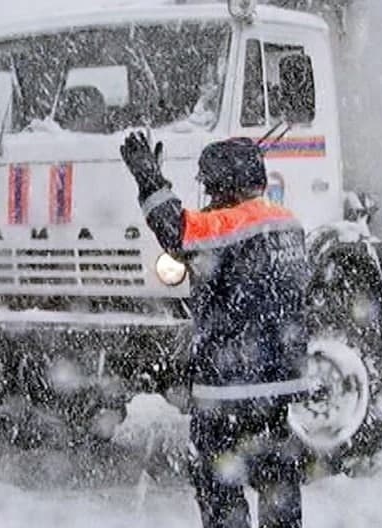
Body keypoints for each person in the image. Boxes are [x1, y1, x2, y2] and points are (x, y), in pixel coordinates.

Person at [120, 133, 310, 528]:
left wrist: (150, 183)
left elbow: (178, 231)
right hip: (276, 392)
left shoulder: (232, 224)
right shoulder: (287, 222)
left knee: (219, 486)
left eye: (209, 186)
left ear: (227, 185)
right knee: (278, 486)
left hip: (228, 391)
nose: (206, 196)